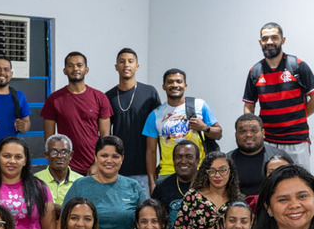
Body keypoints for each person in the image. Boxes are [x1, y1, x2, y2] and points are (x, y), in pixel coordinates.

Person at [241, 22, 314, 170]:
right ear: (260, 42)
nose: (269, 42)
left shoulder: (297, 66)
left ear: (282, 40)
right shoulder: (255, 71)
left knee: (299, 180)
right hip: (267, 140)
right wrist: (252, 128)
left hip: (296, 139)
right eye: (265, 39)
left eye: (274, 37)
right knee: (269, 181)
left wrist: (300, 116)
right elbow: (249, 105)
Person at [62, 136, 148, 229]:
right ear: (96, 157)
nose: (109, 160)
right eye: (104, 155)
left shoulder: (133, 186)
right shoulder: (80, 186)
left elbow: (145, 225)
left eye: (115, 156)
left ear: (122, 159)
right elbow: (63, 223)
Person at [143, 68, 222, 192]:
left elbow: (218, 133)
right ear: (164, 86)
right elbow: (151, 152)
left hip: (199, 171)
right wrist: (152, 183)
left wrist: (204, 127)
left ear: (185, 86)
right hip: (168, 172)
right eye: (170, 82)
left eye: (179, 81)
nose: (175, 85)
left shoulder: (199, 105)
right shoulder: (155, 115)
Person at [41, 51, 112, 174]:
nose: (75, 69)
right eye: (70, 65)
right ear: (64, 70)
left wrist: (97, 164)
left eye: (79, 65)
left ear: (86, 70)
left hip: (94, 167)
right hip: (66, 168)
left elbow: (105, 138)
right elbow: (49, 140)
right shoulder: (54, 99)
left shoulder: (100, 97)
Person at [105, 48, 161, 189]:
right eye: (122, 61)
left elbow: (159, 129)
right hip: (118, 168)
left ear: (137, 66)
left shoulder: (149, 92)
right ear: (116, 66)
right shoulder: (108, 96)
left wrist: (159, 162)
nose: (126, 65)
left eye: (130, 61)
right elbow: (105, 135)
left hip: (145, 169)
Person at [170, 151, 241, 229]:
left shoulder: (236, 200)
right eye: (212, 171)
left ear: (230, 172)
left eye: (223, 170)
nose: (217, 175)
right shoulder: (193, 197)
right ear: (206, 173)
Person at [150, 139, 199, 225]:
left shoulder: (208, 184)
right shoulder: (161, 187)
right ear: (173, 161)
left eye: (189, 157)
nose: (183, 161)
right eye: (178, 157)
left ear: (197, 161)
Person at [34, 134, 83, 218]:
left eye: (64, 152)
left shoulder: (81, 181)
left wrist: (51, 206)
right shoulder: (35, 180)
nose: (59, 156)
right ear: (46, 155)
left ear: (71, 155)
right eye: (54, 152)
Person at [229, 114, 271, 200]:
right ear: (236, 135)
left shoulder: (278, 159)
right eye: (242, 131)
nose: (248, 135)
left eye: (254, 131)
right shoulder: (227, 161)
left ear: (263, 133)